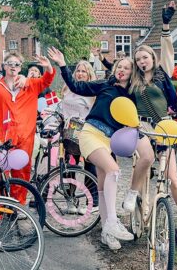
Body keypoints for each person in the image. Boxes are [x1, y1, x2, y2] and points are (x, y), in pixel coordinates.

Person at [47, 46, 135, 250]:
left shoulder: (133, 94)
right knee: (113, 171)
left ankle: (106, 232)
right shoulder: (105, 85)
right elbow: (77, 87)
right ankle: (113, 222)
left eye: (126, 68)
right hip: (91, 133)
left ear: (133, 73)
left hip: (111, 139)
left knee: (104, 188)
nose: (121, 70)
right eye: (119, 66)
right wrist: (62, 64)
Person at [124, 6, 177, 232]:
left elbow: (167, 49)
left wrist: (165, 26)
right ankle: (137, 199)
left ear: (151, 58)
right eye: (138, 59)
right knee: (144, 161)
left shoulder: (162, 73)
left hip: (164, 125)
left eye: (145, 57)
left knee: (172, 176)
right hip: (141, 125)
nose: (142, 61)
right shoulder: (133, 79)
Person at [0, 52, 55, 215]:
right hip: (1, 137)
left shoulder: (31, 84)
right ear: (4, 66)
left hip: (24, 136)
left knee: (22, 173)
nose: (13, 67)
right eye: (10, 63)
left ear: (21, 67)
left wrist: (48, 66)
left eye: (17, 64)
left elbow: (47, 80)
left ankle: (17, 206)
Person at [58, 59, 99, 211]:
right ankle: (70, 200)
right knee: (68, 166)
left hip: (85, 131)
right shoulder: (68, 88)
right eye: (78, 71)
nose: (80, 74)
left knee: (89, 166)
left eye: (84, 71)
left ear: (89, 74)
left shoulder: (92, 92)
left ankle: (93, 201)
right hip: (67, 131)